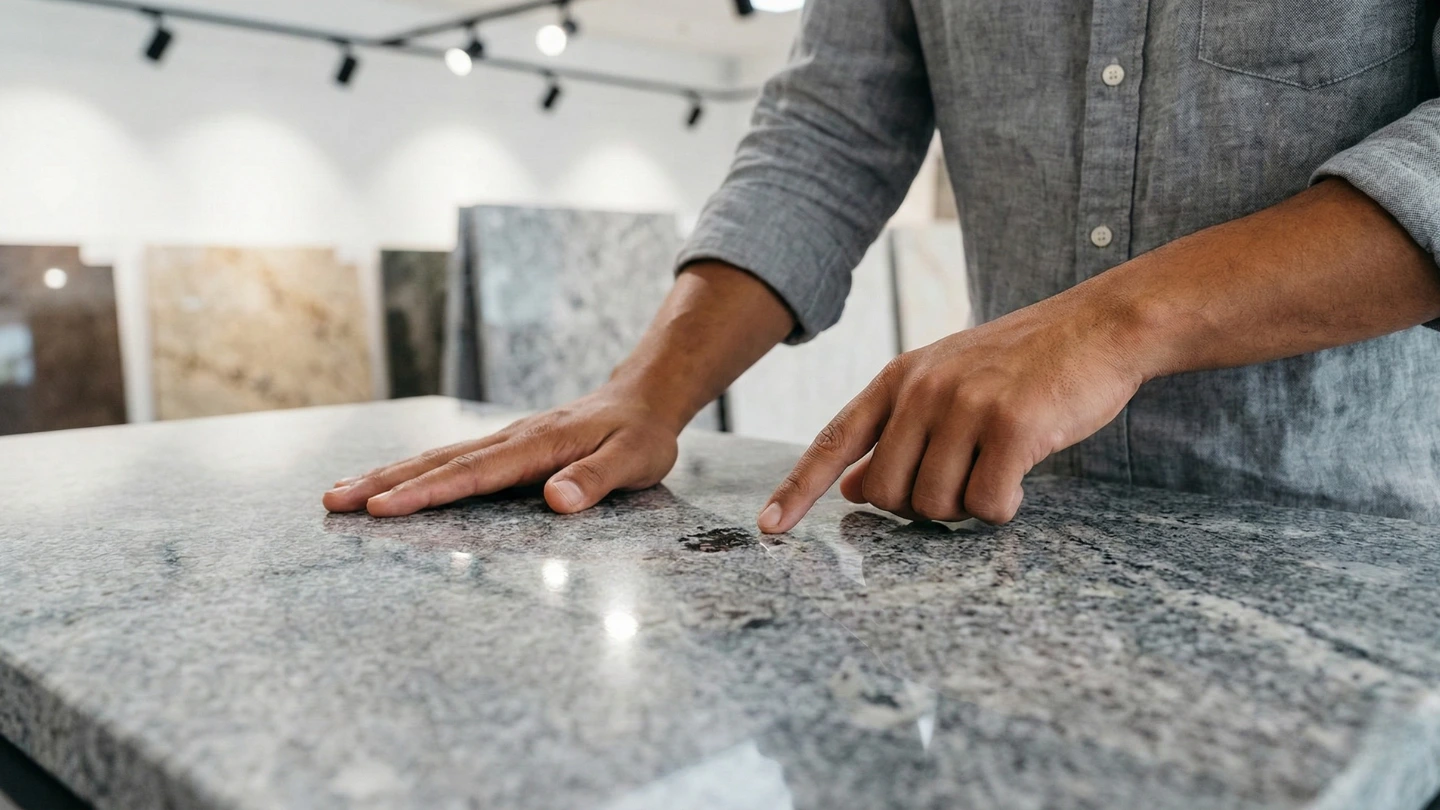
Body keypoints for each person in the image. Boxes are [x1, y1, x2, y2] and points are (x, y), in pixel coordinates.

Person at [326, 0, 1440, 533]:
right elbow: (828, 132)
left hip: (1361, 543)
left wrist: (1114, 321)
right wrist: (648, 390)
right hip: (1015, 526)